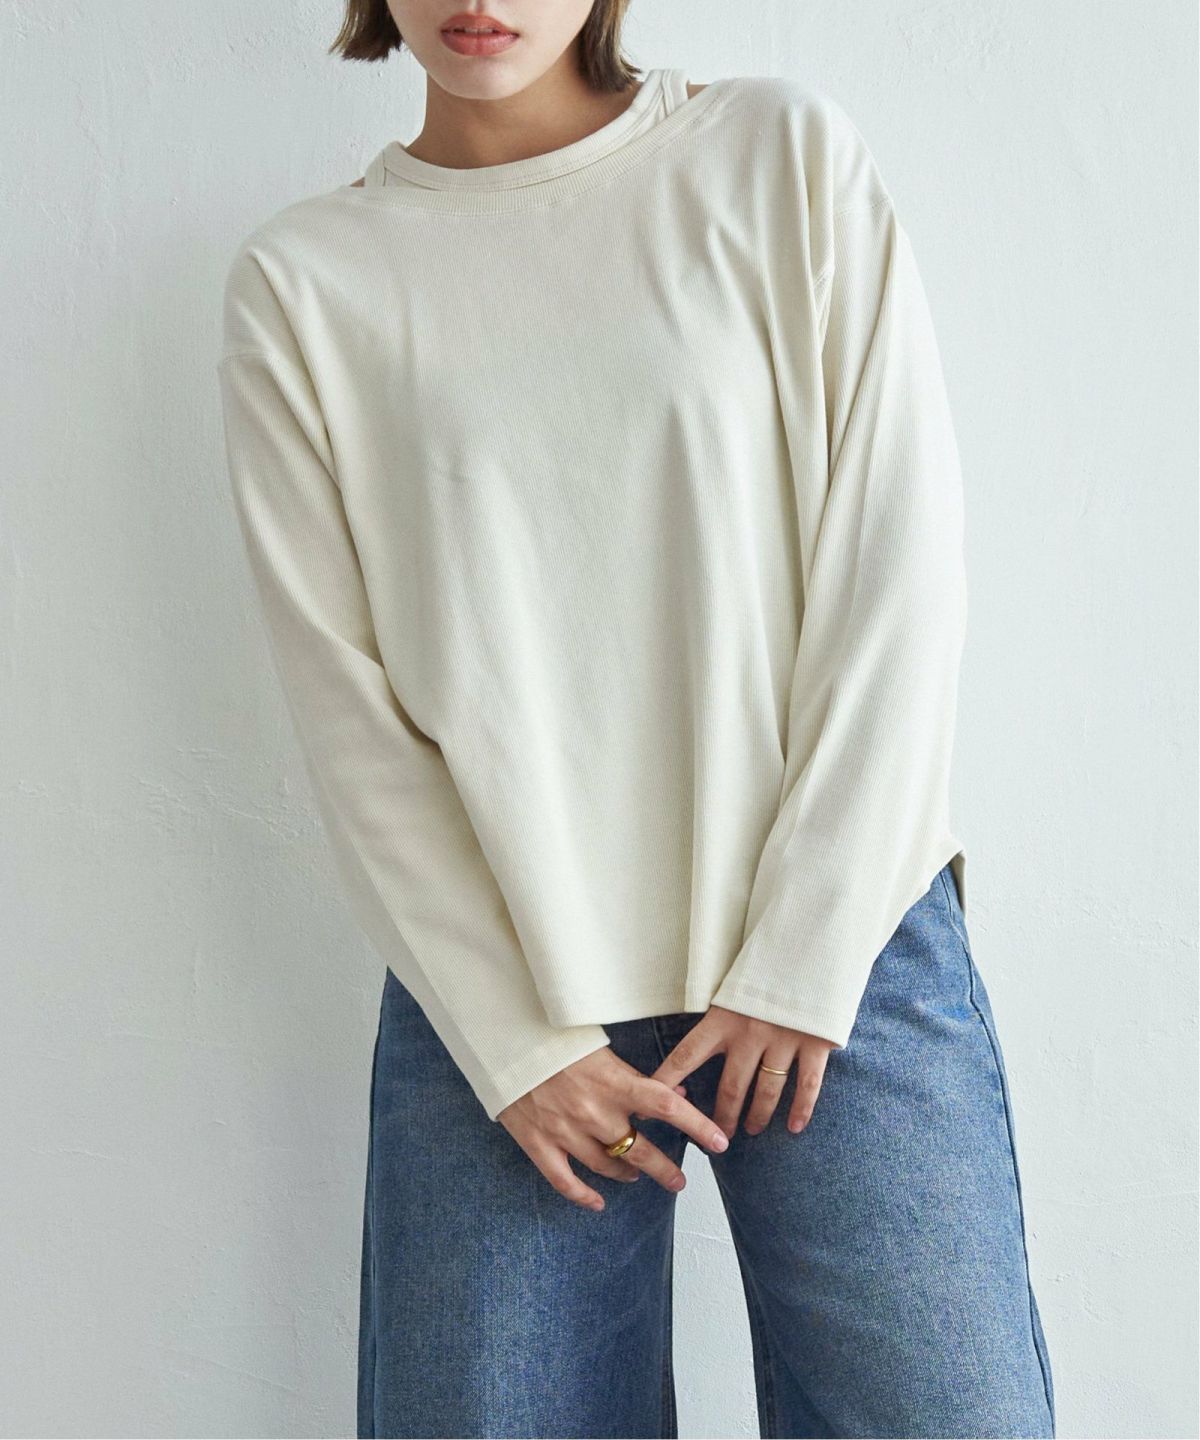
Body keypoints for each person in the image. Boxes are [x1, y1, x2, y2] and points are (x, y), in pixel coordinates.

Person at [215, 2, 1057, 1436]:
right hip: (508, 990)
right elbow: (344, 707)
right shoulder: (306, 283)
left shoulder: (775, 158)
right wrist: (516, 1044)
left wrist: (806, 949)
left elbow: (897, 567)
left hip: (838, 947)